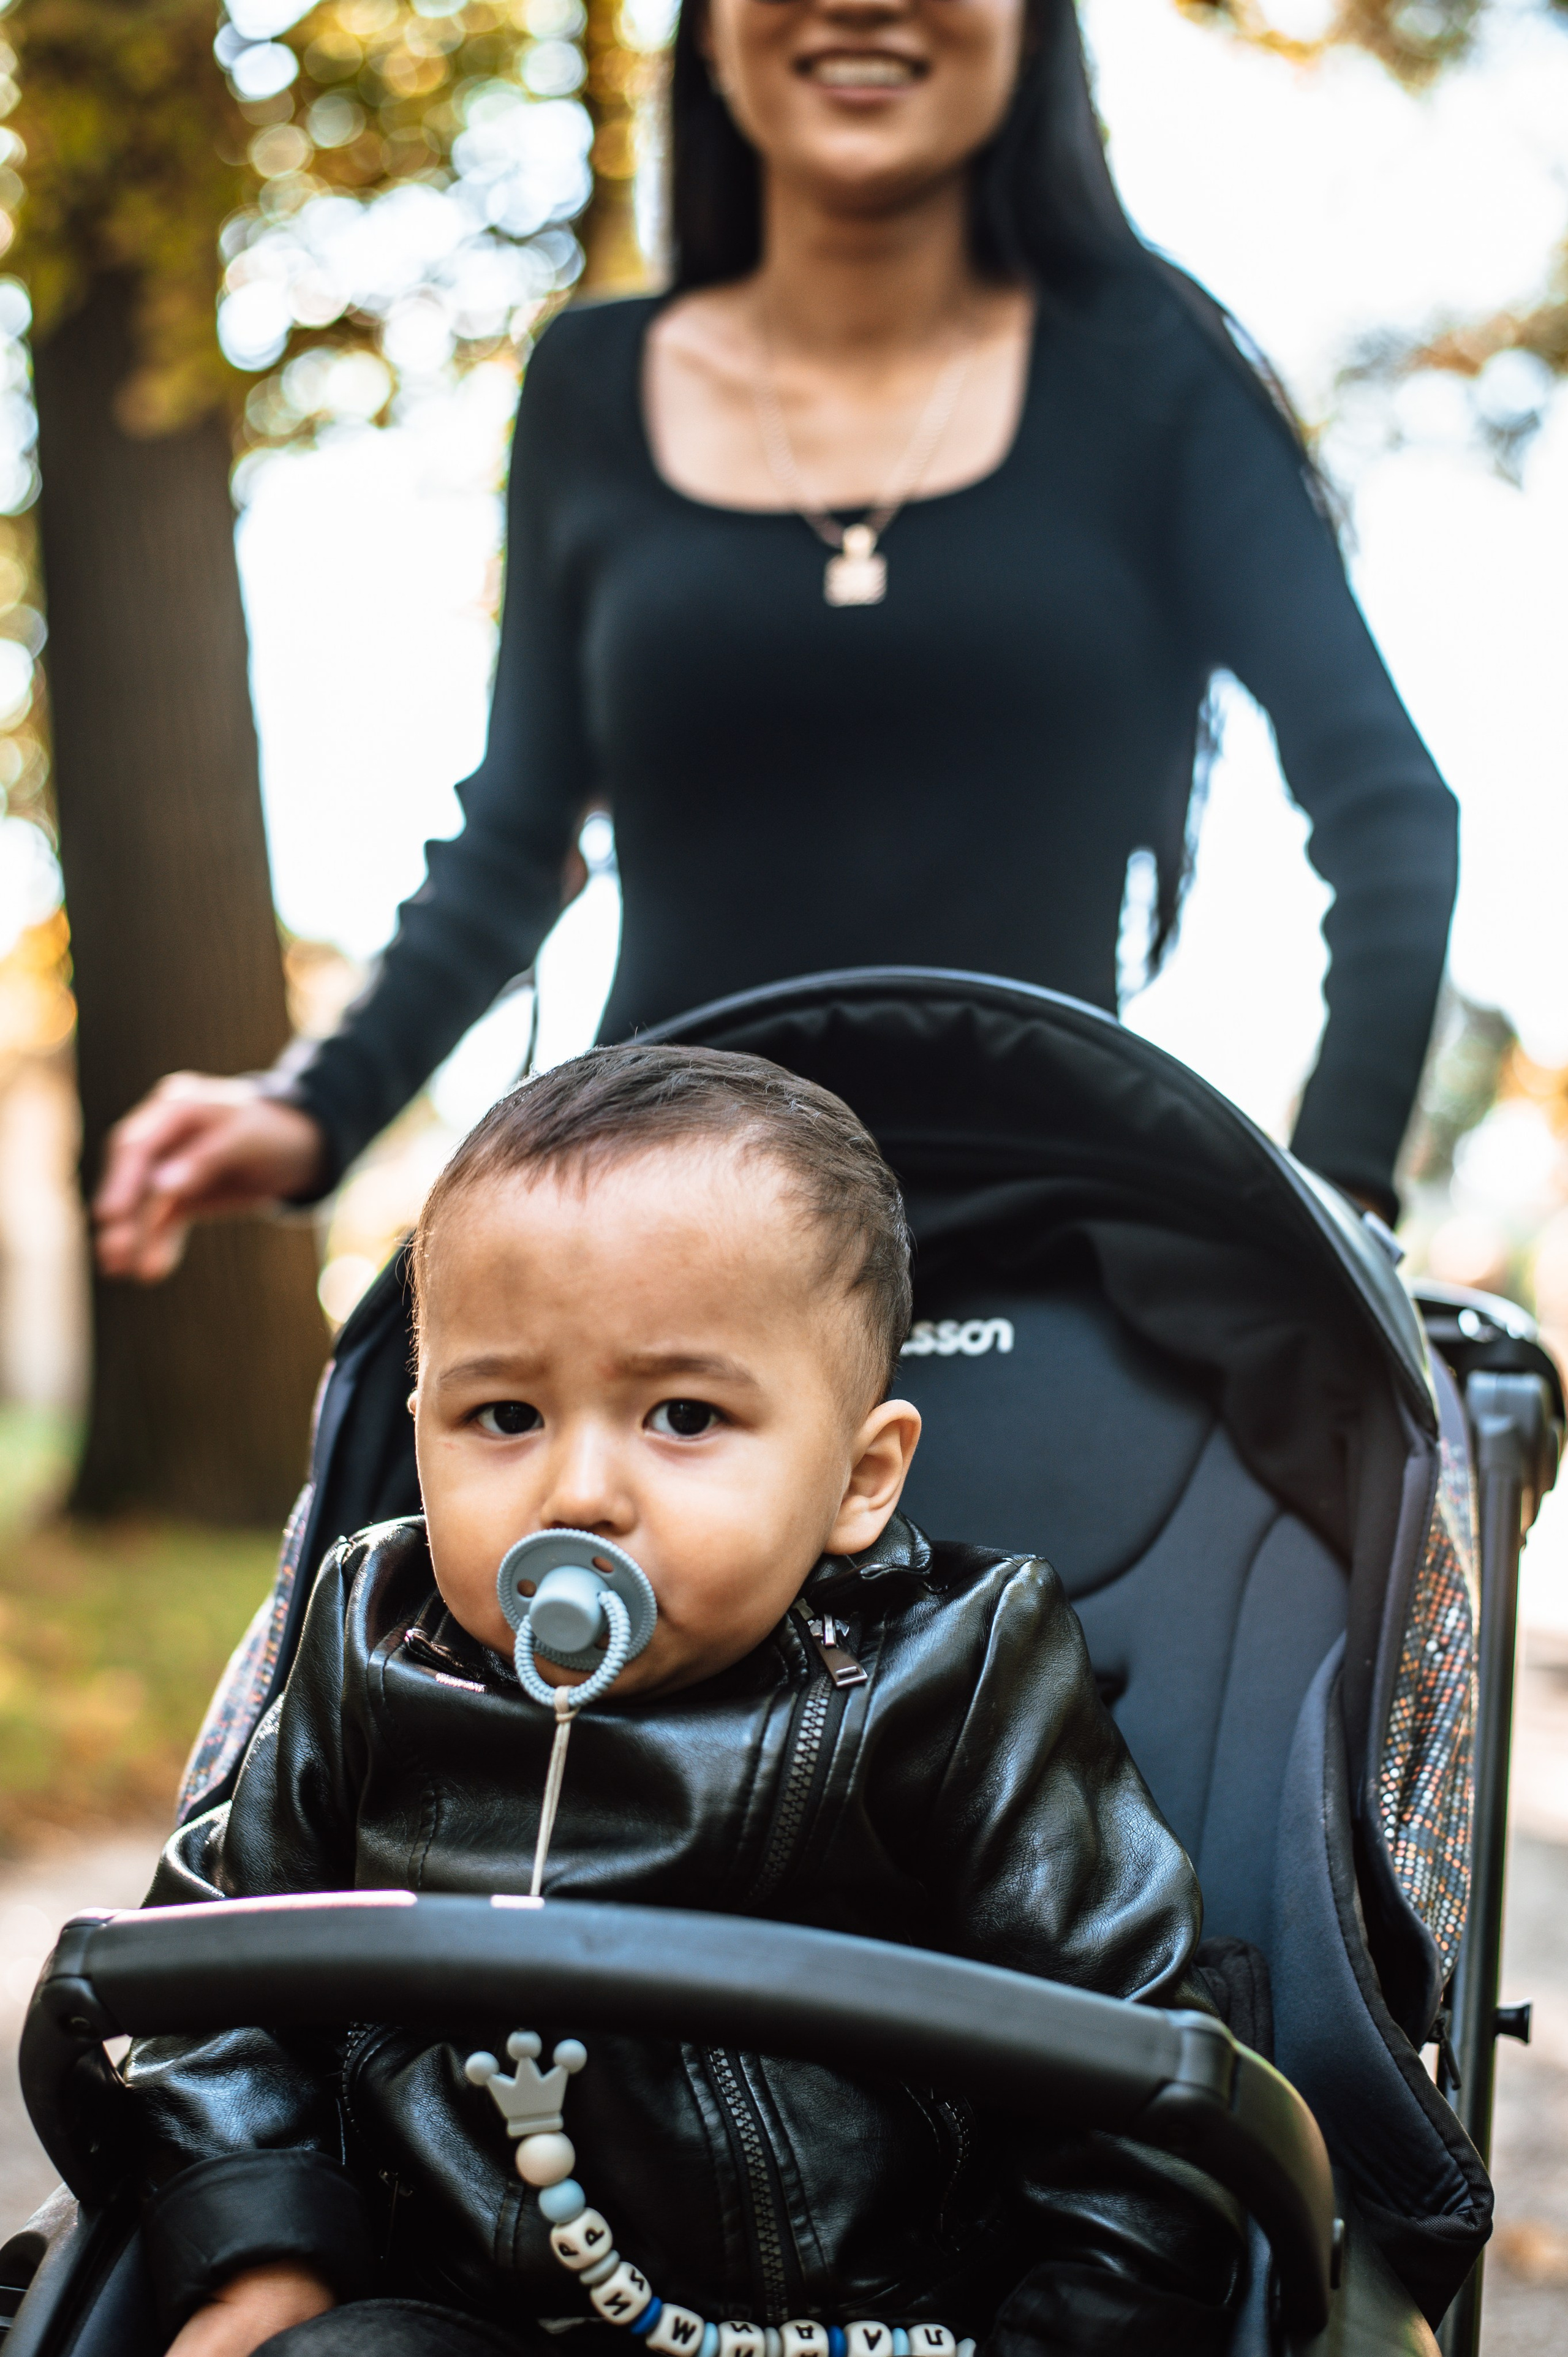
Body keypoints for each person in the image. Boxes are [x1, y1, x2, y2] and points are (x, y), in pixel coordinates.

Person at [93, 0, 1458, 1282]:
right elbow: (519, 838)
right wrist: (314, 1111)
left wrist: (1334, 1210)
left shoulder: (1151, 375)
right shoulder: (591, 389)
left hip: (1057, 1268)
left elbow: (1386, 812)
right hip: (651, 1254)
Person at [132, 1043, 1243, 2357]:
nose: (579, 1492)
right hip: (449, 2301)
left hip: (864, 2319)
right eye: (501, 1415)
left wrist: (1081, 2323)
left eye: (680, 1413)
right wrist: (259, 2244)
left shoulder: (959, 1671)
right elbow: (211, 1971)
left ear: (857, 1479)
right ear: (420, 1425)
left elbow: (1126, 2038)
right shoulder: (374, 1637)